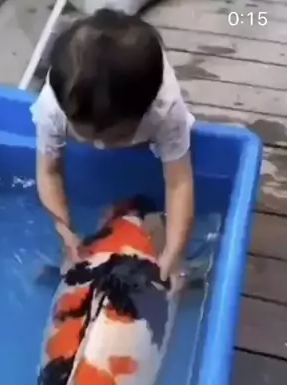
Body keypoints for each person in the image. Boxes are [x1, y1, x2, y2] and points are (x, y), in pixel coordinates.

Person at [31, 8, 194, 292]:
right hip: (105, 109)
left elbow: (179, 182)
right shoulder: (52, 109)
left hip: (141, 100)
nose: (102, 146)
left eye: (117, 137)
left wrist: (173, 252)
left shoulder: (165, 109)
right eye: (88, 136)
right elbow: (48, 172)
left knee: (178, 270)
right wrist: (65, 231)